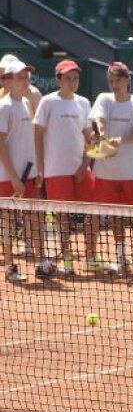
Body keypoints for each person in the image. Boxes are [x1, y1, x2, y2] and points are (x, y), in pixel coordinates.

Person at [34, 59, 95, 277]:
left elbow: (89, 136)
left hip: (81, 169)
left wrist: (85, 164)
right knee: (62, 218)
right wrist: (41, 167)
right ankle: (67, 261)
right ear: (58, 80)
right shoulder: (47, 102)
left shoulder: (84, 103)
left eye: (75, 78)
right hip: (55, 170)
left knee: (93, 212)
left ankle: (90, 258)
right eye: (68, 78)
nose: (72, 82)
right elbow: (38, 135)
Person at [89, 61, 133, 275]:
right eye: (111, 81)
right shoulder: (103, 98)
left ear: (128, 80)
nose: (115, 85)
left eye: (118, 80)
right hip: (105, 171)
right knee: (115, 216)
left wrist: (115, 141)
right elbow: (99, 119)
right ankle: (122, 258)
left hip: (131, 171)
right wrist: (102, 136)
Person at [0, 57, 41, 283]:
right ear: (6, 81)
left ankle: (42, 262)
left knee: (34, 216)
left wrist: (37, 169)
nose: (25, 80)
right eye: (20, 77)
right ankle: (9, 266)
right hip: (8, 177)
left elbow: (28, 140)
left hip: (30, 173)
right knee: (7, 220)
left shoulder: (25, 103)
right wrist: (14, 177)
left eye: (27, 77)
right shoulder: (3, 106)